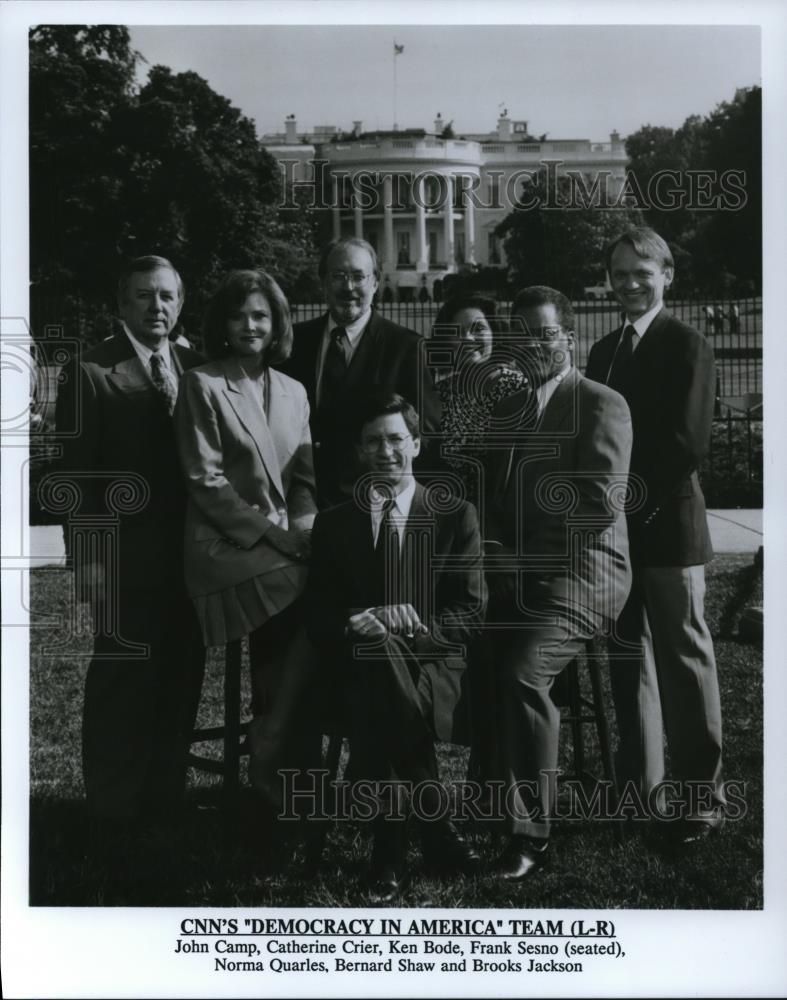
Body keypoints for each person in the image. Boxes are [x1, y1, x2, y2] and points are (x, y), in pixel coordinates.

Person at [305, 392, 487, 903]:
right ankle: (435, 828)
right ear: (360, 452)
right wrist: (355, 620)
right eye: (373, 442)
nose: (385, 451)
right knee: (377, 656)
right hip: (356, 669)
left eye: (395, 439)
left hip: (435, 669)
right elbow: (317, 615)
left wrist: (414, 629)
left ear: (417, 444)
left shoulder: (455, 514)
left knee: (384, 665)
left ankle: (389, 851)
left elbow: (471, 612)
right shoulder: (335, 522)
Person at [484, 286, 632, 881]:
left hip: (585, 571)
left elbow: (596, 505)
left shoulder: (601, 402)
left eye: (543, 334)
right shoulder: (509, 405)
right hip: (520, 571)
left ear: (568, 338)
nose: (531, 346)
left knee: (523, 670)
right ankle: (484, 801)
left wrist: (518, 559)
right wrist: (492, 551)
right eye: (520, 335)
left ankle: (531, 833)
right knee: (460, 646)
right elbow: (492, 496)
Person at [54, 255, 206, 828]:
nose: (157, 306)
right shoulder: (91, 371)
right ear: (122, 305)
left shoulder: (198, 366)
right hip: (123, 565)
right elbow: (72, 481)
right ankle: (112, 811)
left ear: (180, 303)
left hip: (190, 563)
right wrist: (89, 564)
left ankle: (165, 800)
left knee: (180, 680)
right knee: (123, 685)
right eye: (144, 296)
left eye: (167, 296)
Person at [585, 227, 725, 845]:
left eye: (642, 271)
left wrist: (624, 506)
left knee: (684, 661)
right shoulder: (604, 351)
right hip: (615, 538)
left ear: (667, 274)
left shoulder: (687, 343)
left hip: (667, 530)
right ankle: (642, 788)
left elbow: (684, 445)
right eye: (620, 273)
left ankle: (701, 795)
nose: (630, 283)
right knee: (628, 662)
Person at [174, 270, 318, 806]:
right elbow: (203, 482)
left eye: (260, 315)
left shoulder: (294, 390)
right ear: (222, 324)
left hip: (283, 544)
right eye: (238, 315)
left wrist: (303, 532)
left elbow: (303, 481)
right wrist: (276, 539)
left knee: (330, 584)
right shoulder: (204, 384)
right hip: (223, 544)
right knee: (298, 591)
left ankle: (279, 733)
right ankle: (275, 747)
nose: (250, 325)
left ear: (277, 322)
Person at [285, 237, 441, 508]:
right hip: (300, 503)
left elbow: (425, 432)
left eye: (358, 277)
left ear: (375, 283)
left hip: (372, 506)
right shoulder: (294, 343)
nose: (348, 287)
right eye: (338, 276)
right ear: (323, 283)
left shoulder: (405, 348)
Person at [430, 293, 526, 509]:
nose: (468, 339)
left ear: (495, 333)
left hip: (501, 518)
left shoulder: (517, 389)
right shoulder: (439, 393)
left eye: (479, 329)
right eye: (457, 332)